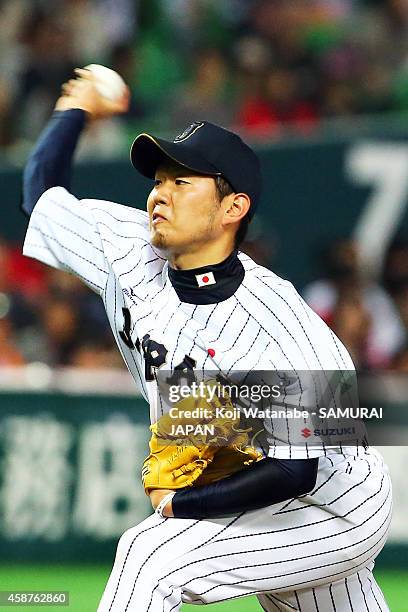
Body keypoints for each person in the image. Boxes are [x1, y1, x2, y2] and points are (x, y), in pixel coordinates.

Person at [21, 69, 392, 611]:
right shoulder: (125, 246)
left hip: (333, 505)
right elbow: (40, 199)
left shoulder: (287, 327)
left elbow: (297, 469)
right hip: (265, 484)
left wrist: (184, 504)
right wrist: (74, 109)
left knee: (150, 557)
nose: (158, 196)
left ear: (232, 208)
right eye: (158, 181)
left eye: (181, 182)